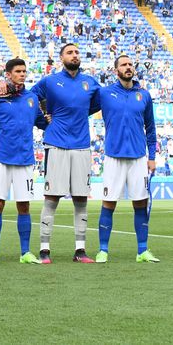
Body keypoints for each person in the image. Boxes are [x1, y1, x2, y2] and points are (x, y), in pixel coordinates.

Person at [31, 43, 101, 264]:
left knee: (81, 198)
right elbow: (30, 99)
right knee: (52, 197)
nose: (75, 55)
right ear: (61, 57)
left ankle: (80, 250)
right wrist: (43, 118)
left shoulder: (90, 83)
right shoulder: (50, 81)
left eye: (77, 52)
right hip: (56, 143)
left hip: (81, 145)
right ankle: (44, 250)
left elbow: (94, 106)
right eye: (70, 52)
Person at [0, 59, 48, 265]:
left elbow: (43, 123)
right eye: (18, 71)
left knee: (23, 206)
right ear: (8, 74)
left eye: (24, 71)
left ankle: (25, 252)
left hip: (25, 159)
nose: (22, 74)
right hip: (1, 159)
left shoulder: (32, 98)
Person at [95, 55, 159, 263]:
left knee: (140, 203)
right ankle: (103, 250)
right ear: (116, 70)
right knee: (109, 203)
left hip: (139, 158)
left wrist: (152, 157)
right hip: (113, 157)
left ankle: (142, 250)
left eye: (130, 64)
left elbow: (151, 128)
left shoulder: (144, 95)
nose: (128, 67)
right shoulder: (104, 93)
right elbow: (80, 108)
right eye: (124, 65)